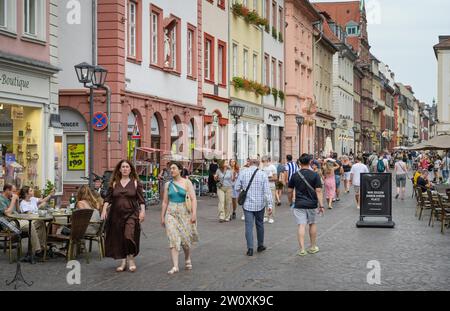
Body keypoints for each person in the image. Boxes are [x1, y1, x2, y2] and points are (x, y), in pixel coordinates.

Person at [101, 160, 146, 273]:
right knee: (119, 238)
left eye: (127, 167)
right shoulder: (115, 183)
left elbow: (141, 200)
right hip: (116, 215)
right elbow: (108, 198)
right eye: (123, 167)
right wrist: (104, 209)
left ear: (130, 169)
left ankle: (131, 259)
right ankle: (123, 261)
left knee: (128, 235)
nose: (125, 168)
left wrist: (143, 212)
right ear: (120, 169)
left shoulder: (135, 183)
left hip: (131, 214)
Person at [161, 162, 198, 274]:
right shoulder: (168, 184)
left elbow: (193, 199)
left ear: (180, 170)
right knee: (173, 238)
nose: (171, 170)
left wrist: (194, 214)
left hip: (184, 212)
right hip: (171, 213)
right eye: (170, 168)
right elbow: (165, 201)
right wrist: (162, 216)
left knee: (185, 241)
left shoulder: (187, 182)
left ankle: (187, 257)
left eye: (174, 168)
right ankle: (175, 266)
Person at [234, 159, 273, 256]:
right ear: (258, 165)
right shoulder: (262, 174)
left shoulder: (243, 173)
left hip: (247, 204)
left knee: (248, 226)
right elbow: (267, 191)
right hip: (260, 204)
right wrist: (270, 205)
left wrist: (243, 188)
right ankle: (260, 245)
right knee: (260, 224)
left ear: (249, 164)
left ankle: (250, 249)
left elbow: (236, 187)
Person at [288, 154, 324, 256]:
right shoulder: (315, 175)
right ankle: (313, 247)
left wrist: (291, 201)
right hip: (312, 204)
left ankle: (302, 249)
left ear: (299, 163)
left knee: (301, 225)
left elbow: (290, 191)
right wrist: (321, 205)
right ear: (310, 162)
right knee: (312, 224)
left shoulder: (295, 175)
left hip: (299, 204)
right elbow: (319, 191)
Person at [1, 184, 44, 257]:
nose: (15, 193)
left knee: (40, 222)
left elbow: (18, 212)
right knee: (30, 225)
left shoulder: (10, 198)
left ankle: (42, 247)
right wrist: (13, 200)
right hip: (7, 224)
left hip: (16, 220)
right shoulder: (1, 199)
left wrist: (17, 202)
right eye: (13, 191)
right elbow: (8, 213)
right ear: (7, 190)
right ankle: (38, 251)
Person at [261, 156, 278, 224]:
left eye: (263, 161)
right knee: (264, 201)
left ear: (267, 160)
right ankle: (265, 216)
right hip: (263, 187)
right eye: (262, 161)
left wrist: (267, 179)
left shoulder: (272, 167)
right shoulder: (262, 168)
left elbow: (275, 178)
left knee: (271, 201)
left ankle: (271, 217)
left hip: (271, 186)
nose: (263, 163)